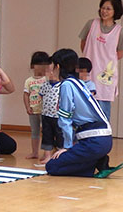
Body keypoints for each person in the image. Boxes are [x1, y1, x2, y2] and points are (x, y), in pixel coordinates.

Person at [45, 48, 122, 178]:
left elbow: (65, 118)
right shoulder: (79, 83)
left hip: (94, 142)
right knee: (65, 160)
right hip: (104, 139)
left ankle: (94, 165)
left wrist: (66, 147)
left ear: (57, 66)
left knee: (52, 166)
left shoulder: (66, 85)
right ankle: (99, 160)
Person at [79, 0, 123, 119]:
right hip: (88, 72)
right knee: (84, 108)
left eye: (108, 9)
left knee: (103, 112)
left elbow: (120, 52)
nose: (104, 11)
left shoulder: (119, 31)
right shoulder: (91, 24)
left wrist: (106, 61)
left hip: (105, 75)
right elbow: (83, 44)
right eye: (103, 8)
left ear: (115, 11)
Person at [23, 51, 50, 159]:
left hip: (46, 111)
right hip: (33, 110)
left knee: (46, 132)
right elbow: (26, 95)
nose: (42, 67)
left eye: (44, 65)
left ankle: (46, 153)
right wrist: (27, 107)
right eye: (39, 64)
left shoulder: (47, 79)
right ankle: (34, 152)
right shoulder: (29, 81)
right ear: (32, 66)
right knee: (35, 132)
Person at [38, 56, 63, 164]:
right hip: (46, 115)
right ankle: (47, 155)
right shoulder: (45, 85)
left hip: (58, 116)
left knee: (60, 135)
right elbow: (41, 96)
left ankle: (60, 155)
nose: (50, 73)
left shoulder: (62, 85)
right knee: (46, 135)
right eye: (48, 71)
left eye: (52, 71)